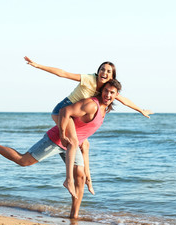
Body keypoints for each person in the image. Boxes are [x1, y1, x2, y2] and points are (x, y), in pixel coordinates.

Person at [0, 79, 121, 219]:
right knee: (23, 161)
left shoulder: (104, 110)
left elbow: (82, 128)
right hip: (57, 139)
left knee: (81, 177)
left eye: (112, 93)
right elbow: (64, 111)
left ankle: (74, 216)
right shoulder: (92, 104)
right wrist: (63, 134)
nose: (108, 95)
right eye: (106, 91)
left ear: (116, 95)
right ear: (101, 90)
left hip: (73, 145)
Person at [24, 56, 153, 199]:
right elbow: (63, 73)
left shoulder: (106, 89)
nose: (104, 72)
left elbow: (124, 101)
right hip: (61, 111)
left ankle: (88, 180)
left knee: (85, 144)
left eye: (108, 71)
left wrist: (141, 110)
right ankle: (68, 180)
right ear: (98, 71)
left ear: (112, 76)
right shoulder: (89, 79)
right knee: (73, 142)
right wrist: (38, 65)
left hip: (72, 114)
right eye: (102, 69)